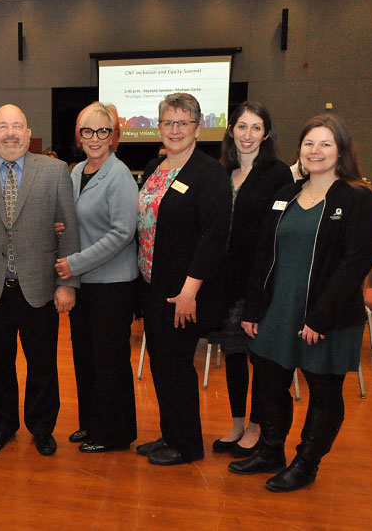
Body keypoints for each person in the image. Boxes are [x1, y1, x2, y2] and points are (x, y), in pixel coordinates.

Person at [229, 115, 372, 492]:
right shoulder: (286, 194)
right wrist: (252, 308)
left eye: (325, 144)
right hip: (278, 310)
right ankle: (270, 451)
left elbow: (355, 265)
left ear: (341, 151)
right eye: (309, 144)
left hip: (327, 316)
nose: (315, 151)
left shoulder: (358, 199)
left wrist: (321, 316)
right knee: (269, 383)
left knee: (324, 391)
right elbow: (264, 253)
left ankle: (306, 462)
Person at [0, 104, 80, 456]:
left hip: (40, 288)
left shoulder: (56, 172)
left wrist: (67, 284)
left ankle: (42, 428)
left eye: (17, 126)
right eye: (3, 127)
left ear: (28, 134)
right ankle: (2, 424)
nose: (10, 133)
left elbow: (68, 231)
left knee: (42, 364)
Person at [134, 93, 232, 466]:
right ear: (159, 127)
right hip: (152, 286)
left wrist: (190, 291)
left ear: (198, 127)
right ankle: (170, 434)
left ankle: (188, 445)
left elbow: (213, 237)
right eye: (168, 123)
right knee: (161, 362)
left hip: (184, 292)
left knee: (176, 364)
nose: (175, 130)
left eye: (183, 122)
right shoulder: (155, 166)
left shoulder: (210, 174)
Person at [54, 102, 138, 452]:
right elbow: (75, 221)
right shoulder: (75, 173)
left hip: (112, 287)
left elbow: (121, 234)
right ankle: (91, 424)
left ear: (113, 135)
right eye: (86, 131)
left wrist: (74, 262)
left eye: (102, 131)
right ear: (79, 136)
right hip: (85, 285)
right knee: (86, 358)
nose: (94, 138)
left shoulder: (119, 176)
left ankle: (113, 434)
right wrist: (61, 227)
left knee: (109, 362)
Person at [213, 101, 293, 458]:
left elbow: (277, 235)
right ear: (231, 131)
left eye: (256, 127)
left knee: (258, 358)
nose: (248, 135)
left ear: (267, 133)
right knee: (232, 353)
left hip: (261, 283)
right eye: (242, 127)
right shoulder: (222, 172)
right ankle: (237, 422)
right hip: (225, 283)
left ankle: (259, 426)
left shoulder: (277, 174)